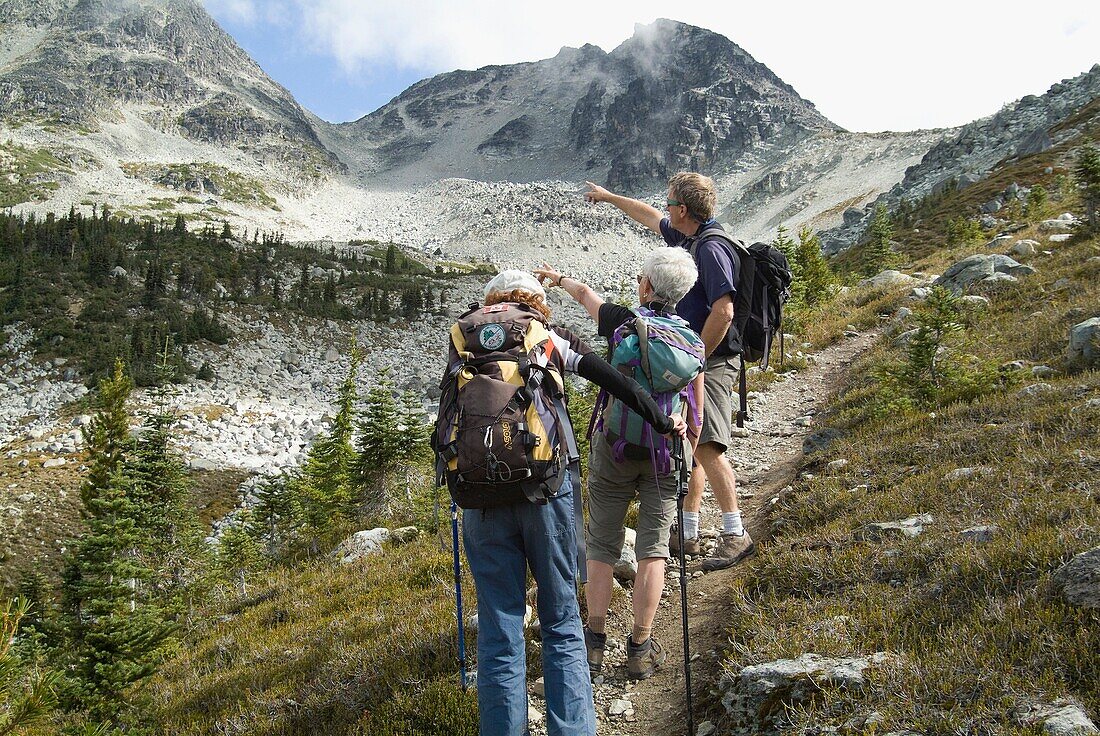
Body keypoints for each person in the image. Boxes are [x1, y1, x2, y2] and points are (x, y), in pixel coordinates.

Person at [453, 270, 687, 736]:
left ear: (491, 304)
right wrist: (663, 422)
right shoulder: (549, 338)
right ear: (538, 305)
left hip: (479, 498)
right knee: (560, 620)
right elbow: (612, 380)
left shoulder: (467, 338)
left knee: (500, 631)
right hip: (545, 492)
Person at [534, 248, 702, 680]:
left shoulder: (623, 323)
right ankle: (640, 645)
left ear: (647, 286)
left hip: (614, 446)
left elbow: (586, 295)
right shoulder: (693, 341)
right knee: (653, 549)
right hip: (667, 450)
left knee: (602, 544)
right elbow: (695, 409)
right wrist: (686, 446)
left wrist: (558, 278)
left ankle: (593, 641)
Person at [583, 172, 755, 571]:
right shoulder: (690, 236)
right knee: (690, 445)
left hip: (708, 361)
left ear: (683, 209)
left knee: (707, 444)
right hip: (693, 360)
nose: (665, 209)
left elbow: (724, 311)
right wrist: (610, 198)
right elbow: (648, 217)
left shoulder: (711, 249)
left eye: (670, 203)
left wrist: (694, 360)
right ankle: (688, 532)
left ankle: (735, 533)